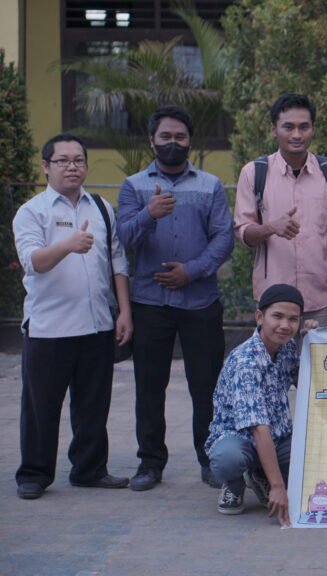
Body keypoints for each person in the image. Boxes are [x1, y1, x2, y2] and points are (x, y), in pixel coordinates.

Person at [116, 105, 234, 491]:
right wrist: (149, 214)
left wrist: (192, 271)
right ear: (152, 140)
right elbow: (123, 240)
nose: (172, 143)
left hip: (200, 301)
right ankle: (150, 463)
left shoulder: (210, 185)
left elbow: (223, 239)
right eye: (165, 137)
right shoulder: (134, 186)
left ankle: (210, 459)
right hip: (150, 303)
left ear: (189, 141)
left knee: (207, 385)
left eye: (179, 137)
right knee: (150, 386)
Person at [13, 133, 132, 499]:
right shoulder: (32, 211)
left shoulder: (100, 207)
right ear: (45, 166)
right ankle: (34, 474)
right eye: (62, 160)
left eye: (78, 159)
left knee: (93, 405)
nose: (72, 166)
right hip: (49, 328)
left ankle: (89, 469)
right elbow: (33, 262)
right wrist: (68, 245)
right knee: (41, 408)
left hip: (97, 323)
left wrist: (124, 310)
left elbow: (117, 261)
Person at [234, 93, 327, 333]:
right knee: (274, 368)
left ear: (313, 129)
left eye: (304, 127)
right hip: (272, 299)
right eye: (288, 127)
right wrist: (271, 227)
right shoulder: (254, 173)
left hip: (320, 298)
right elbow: (243, 232)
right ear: (273, 129)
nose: (297, 135)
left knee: (315, 368)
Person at [206, 284, 316, 526]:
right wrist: (277, 487)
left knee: (313, 456)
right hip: (239, 438)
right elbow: (258, 429)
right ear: (259, 317)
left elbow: (311, 385)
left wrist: (314, 344)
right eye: (277, 316)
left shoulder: (286, 348)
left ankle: (259, 472)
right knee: (229, 459)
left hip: (277, 437)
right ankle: (234, 483)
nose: (285, 325)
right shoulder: (245, 361)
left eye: (293, 319)